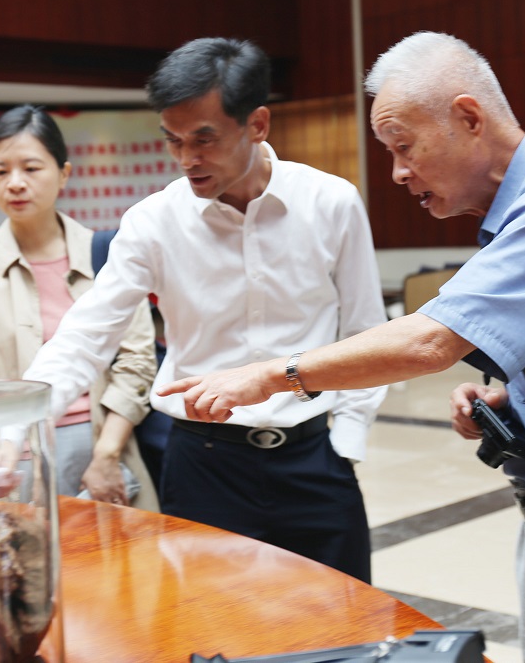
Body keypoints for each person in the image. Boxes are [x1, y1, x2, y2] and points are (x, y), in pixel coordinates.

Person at [158, 31, 525, 662]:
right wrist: (515, 402)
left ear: (469, 118)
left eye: (404, 146)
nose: (398, 172)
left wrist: (272, 375)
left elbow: (428, 341)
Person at [22, 37, 388, 582]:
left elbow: (364, 329)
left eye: (204, 139)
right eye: (173, 140)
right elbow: (86, 335)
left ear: (257, 124)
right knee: (211, 623)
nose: (186, 159)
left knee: (343, 619)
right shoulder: (152, 222)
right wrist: (15, 430)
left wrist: (347, 441)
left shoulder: (330, 202)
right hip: (203, 467)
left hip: (313, 459)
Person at [0, 104, 159, 511]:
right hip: (3, 453)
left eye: (31, 168)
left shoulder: (109, 257)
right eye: (0, 171)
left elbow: (136, 364)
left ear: (64, 173)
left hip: (98, 442)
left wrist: (106, 454)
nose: (15, 183)